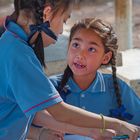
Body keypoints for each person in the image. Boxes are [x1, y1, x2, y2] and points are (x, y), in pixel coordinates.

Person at [0, 0, 139, 139]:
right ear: (47, 13)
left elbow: (35, 112)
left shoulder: (12, 42)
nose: (61, 30)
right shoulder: (19, 55)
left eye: (91, 49)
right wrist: (116, 124)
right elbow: (59, 111)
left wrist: (90, 132)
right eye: (64, 20)